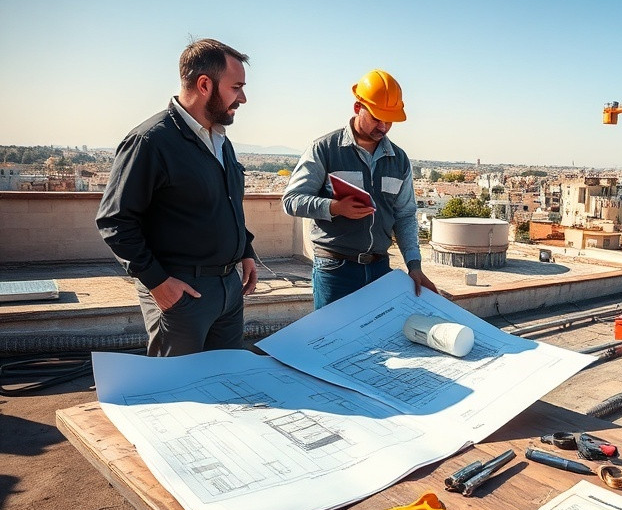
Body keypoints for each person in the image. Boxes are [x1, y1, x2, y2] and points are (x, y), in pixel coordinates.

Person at [96, 38, 258, 356]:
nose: (243, 98)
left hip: (228, 289)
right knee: (178, 384)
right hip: (182, 292)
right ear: (204, 84)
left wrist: (245, 251)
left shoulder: (221, 141)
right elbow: (115, 221)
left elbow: (224, 204)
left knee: (225, 378)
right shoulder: (150, 141)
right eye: (236, 87)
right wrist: (158, 283)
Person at [282, 69, 436, 309]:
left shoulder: (399, 160)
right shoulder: (324, 149)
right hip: (335, 269)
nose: (383, 127)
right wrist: (334, 207)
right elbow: (292, 200)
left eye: (389, 121)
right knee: (334, 332)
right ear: (357, 108)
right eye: (377, 118)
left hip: (379, 269)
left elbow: (405, 215)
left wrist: (414, 265)